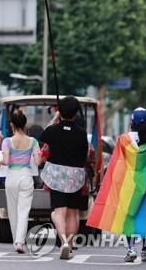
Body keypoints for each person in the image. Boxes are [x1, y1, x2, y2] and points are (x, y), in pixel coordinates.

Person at [87, 108, 146, 263]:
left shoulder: (123, 139)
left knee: (129, 216)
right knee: (145, 216)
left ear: (131, 121)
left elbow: (117, 163)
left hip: (128, 185)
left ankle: (131, 249)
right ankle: (145, 250)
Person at [39, 96, 88, 259]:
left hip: (56, 175)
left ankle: (63, 242)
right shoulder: (82, 134)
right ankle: (70, 242)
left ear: (60, 111)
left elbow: (42, 136)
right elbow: (84, 156)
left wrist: (54, 119)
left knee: (60, 211)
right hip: (75, 176)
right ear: (75, 113)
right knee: (73, 213)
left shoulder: (53, 130)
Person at [0, 109, 42, 253]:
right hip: (26, 176)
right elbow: (38, 161)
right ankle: (19, 242)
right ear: (25, 124)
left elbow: (5, 160)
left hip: (11, 177)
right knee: (24, 211)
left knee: (12, 211)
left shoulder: (7, 141)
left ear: (12, 125)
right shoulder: (33, 141)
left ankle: (16, 241)